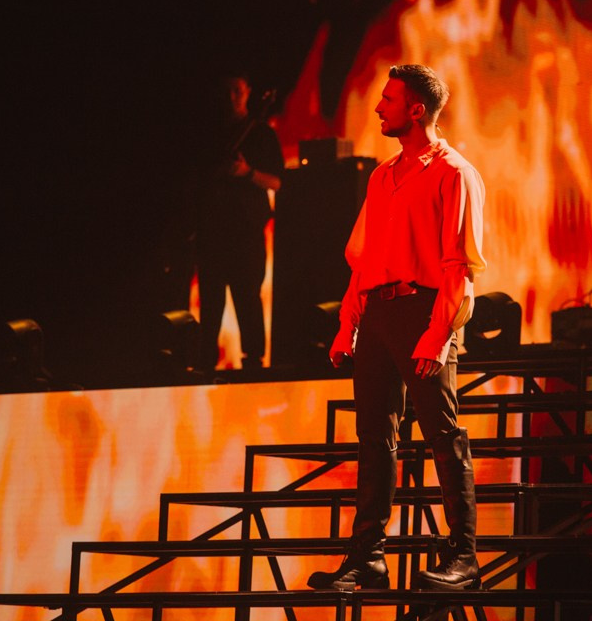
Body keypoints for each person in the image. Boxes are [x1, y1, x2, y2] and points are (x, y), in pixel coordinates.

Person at [307, 64, 486, 591]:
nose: (379, 108)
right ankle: (368, 557)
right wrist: (348, 323)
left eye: (389, 100)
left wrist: (438, 333)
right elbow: (364, 260)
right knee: (374, 436)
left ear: (416, 109)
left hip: (424, 309)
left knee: (442, 432)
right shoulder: (382, 176)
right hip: (379, 313)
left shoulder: (454, 172)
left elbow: (460, 265)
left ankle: (464, 555)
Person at [196, 75, 283, 371]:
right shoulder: (211, 136)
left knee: (248, 300)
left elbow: (277, 181)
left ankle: (253, 363)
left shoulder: (261, 134)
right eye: (227, 91)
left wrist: (247, 173)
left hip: (246, 233)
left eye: (237, 90)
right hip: (212, 232)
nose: (232, 97)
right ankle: (205, 364)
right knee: (210, 304)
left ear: (248, 92)